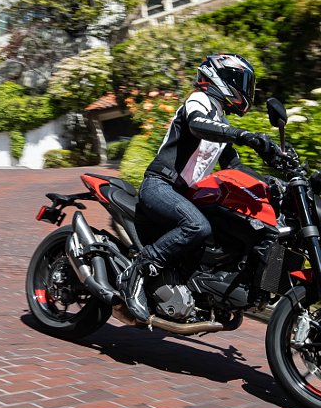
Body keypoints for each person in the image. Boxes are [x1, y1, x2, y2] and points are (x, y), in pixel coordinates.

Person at [119, 53, 283, 322]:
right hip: (160, 185)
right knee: (198, 226)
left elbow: (236, 168)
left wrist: (273, 181)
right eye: (240, 80)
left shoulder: (221, 122)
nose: (244, 89)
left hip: (182, 195)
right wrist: (246, 136)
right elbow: (197, 125)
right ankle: (137, 272)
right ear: (221, 78)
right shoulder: (199, 100)